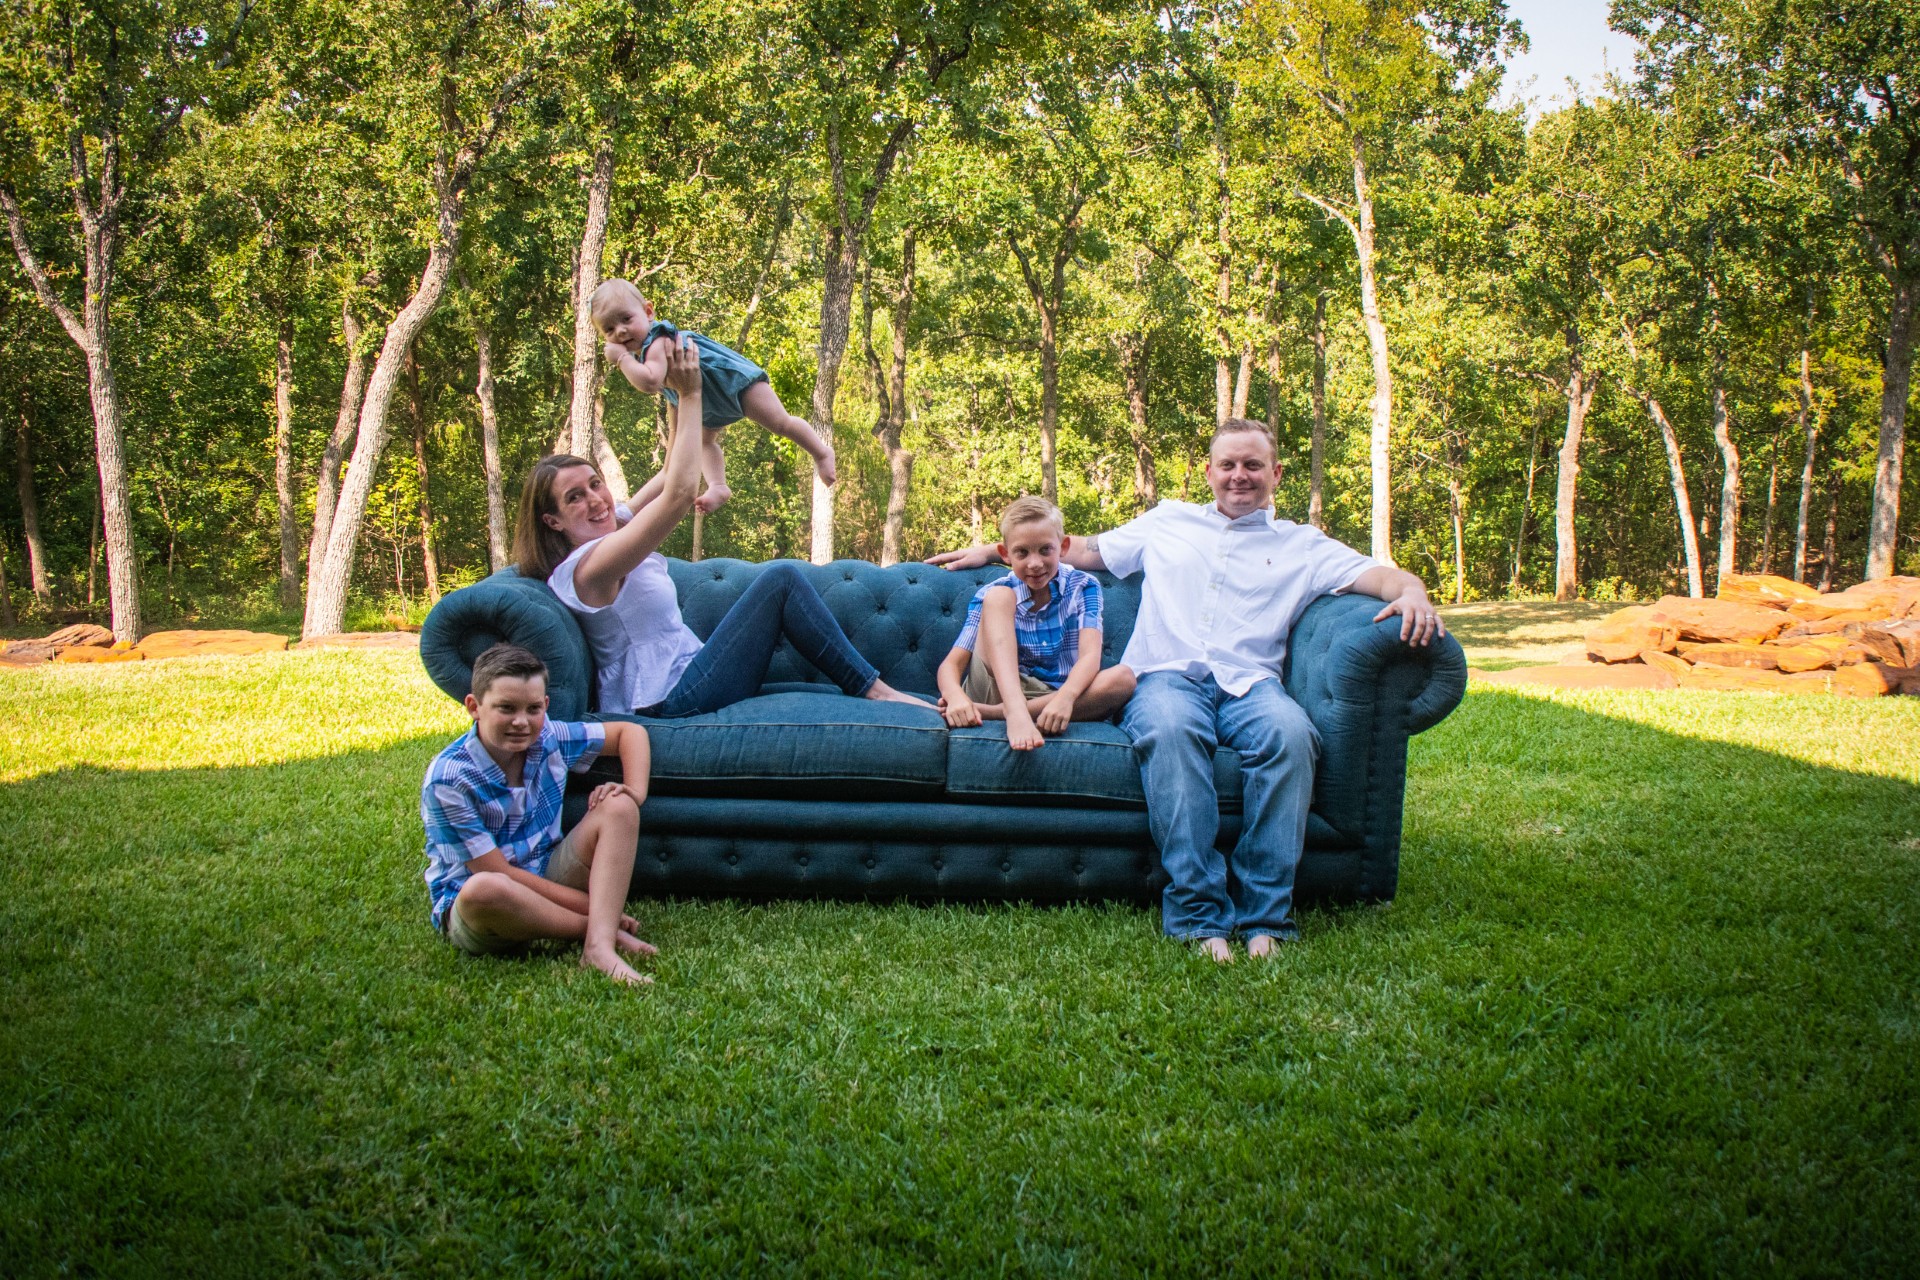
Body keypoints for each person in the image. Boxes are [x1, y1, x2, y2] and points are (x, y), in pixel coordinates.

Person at [930, 418, 1445, 962]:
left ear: (1276, 473)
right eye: (1227, 465)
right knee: (1173, 733)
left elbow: (1380, 577)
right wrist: (992, 551)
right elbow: (1072, 549)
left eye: (1252, 465)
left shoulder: (1304, 545)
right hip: (1163, 678)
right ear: (1208, 471)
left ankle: (1265, 914)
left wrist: (1413, 592)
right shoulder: (1167, 522)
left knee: (1292, 738)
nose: (1239, 476)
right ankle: (1199, 914)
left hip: (1252, 684)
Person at [515, 334, 925, 718]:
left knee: (782, 584)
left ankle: (870, 687)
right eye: (575, 497)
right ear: (551, 521)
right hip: (665, 701)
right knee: (781, 581)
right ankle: (875, 690)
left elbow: (668, 471)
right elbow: (678, 494)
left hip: (687, 677)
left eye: (595, 484)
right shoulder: (590, 567)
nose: (595, 500)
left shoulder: (610, 527)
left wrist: (676, 395)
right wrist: (693, 393)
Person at [421, 642, 656, 986]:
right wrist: (594, 909)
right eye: (506, 708)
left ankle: (598, 948)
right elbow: (500, 872)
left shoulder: (548, 737)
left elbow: (630, 732)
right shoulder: (448, 779)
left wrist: (635, 791)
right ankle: (599, 930)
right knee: (483, 889)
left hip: (545, 871)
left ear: (545, 706)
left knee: (619, 806)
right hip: (488, 907)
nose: (521, 722)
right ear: (474, 706)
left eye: (533, 709)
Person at [592, 277, 836, 514]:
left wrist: (622, 359)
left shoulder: (657, 340)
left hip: (734, 382)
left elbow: (650, 381)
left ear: (648, 312)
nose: (621, 331)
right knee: (704, 442)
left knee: (781, 423)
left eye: (626, 319)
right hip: (707, 402)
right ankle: (718, 486)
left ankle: (821, 452)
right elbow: (669, 469)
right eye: (610, 329)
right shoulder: (643, 352)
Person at [935, 495, 1136, 750]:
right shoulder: (994, 592)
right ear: (1005, 554)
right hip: (996, 686)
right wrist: (954, 697)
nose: (1035, 563)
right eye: (1022, 552)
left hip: (1052, 698)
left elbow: (1089, 658)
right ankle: (1015, 711)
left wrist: (1066, 698)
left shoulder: (1084, 586)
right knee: (997, 597)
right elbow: (951, 665)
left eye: (1045, 550)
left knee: (1124, 678)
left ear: (1062, 547)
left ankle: (997, 713)